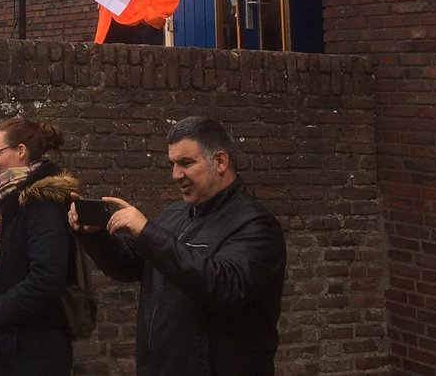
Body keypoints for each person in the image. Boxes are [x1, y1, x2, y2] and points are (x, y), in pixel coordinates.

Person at [71, 116, 286, 375]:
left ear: (220, 161)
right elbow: (129, 266)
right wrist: (95, 235)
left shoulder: (257, 225)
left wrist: (148, 233)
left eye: (186, 163)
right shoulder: (176, 214)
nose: (175, 175)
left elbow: (223, 287)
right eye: (173, 164)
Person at [0, 118, 77, 376]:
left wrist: (0, 312)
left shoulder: (43, 203)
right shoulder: (6, 197)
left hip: (32, 350)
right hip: (6, 344)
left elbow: (47, 277)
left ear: (21, 151)